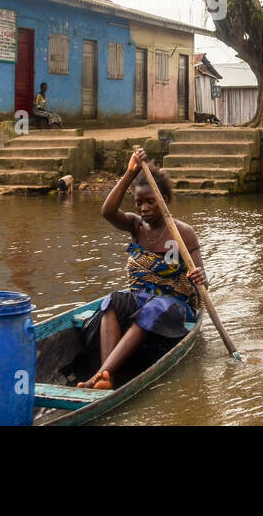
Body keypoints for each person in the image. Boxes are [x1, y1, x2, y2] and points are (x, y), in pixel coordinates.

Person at [76, 146, 204, 389]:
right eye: (138, 203)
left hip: (175, 306)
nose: (143, 208)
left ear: (164, 201)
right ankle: (107, 376)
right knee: (112, 301)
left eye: (149, 202)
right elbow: (107, 212)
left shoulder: (183, 234)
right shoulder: (136, 227)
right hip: (142, 298)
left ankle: (101, 374)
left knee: (153, 308)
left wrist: (198, 275)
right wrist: (129, 174)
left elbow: (202, 284)